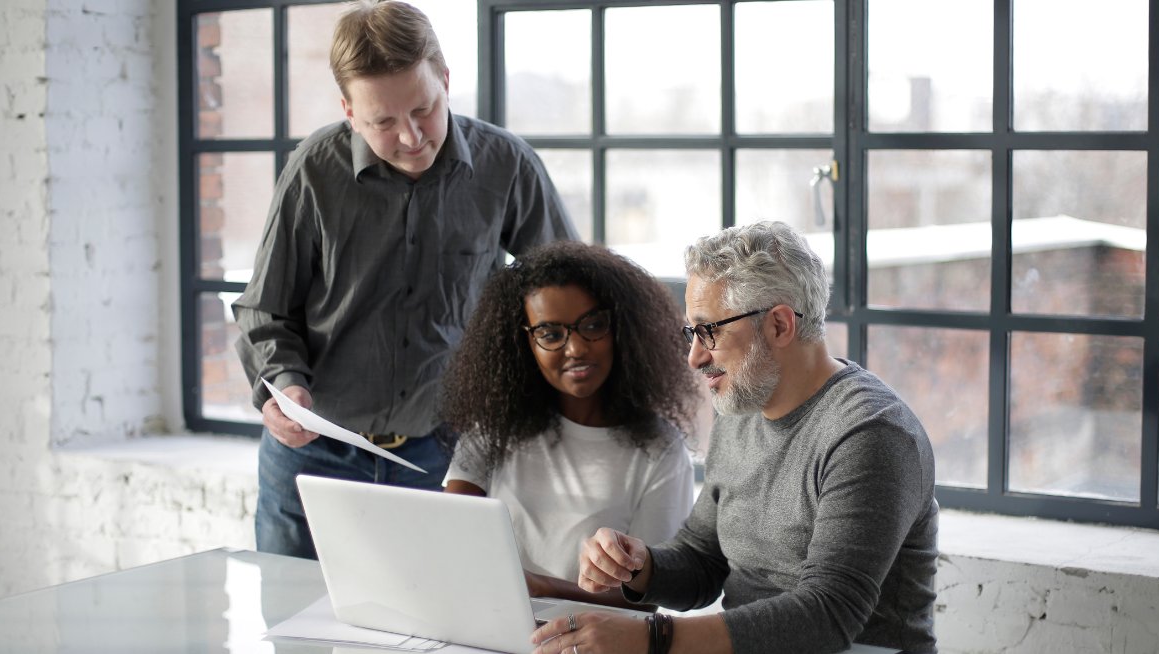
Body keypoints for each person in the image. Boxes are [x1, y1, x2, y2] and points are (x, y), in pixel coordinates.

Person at [232, 0, 577, 559]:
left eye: (424, 109)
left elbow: (568, 295)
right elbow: (264, 310)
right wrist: (282, 385)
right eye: (382, 122)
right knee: (297, 635)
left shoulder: (506, 166)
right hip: (314, 459)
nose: (412, 137)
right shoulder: (313, 171)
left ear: (445, 79)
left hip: (447, 457)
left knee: (434, 637)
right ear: (348, 109)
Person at [531, 221, 939, 654]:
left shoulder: (871, 434)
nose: (694, 357)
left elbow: (829, 613)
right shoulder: (743, 405)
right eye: (692, 332)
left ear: (780, 325)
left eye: (710, 331)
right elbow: (704, 559)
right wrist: (637, 565)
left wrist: (653, 638)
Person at [440, 240, 699, 610]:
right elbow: (450, 538)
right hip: (489, 629)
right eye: (550, 334)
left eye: (592, 325)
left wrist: (540, 587)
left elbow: (646, 599)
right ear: (522, 343)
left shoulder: (660, 450)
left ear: (621, 327)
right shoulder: (492, 431)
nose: (575, 348)